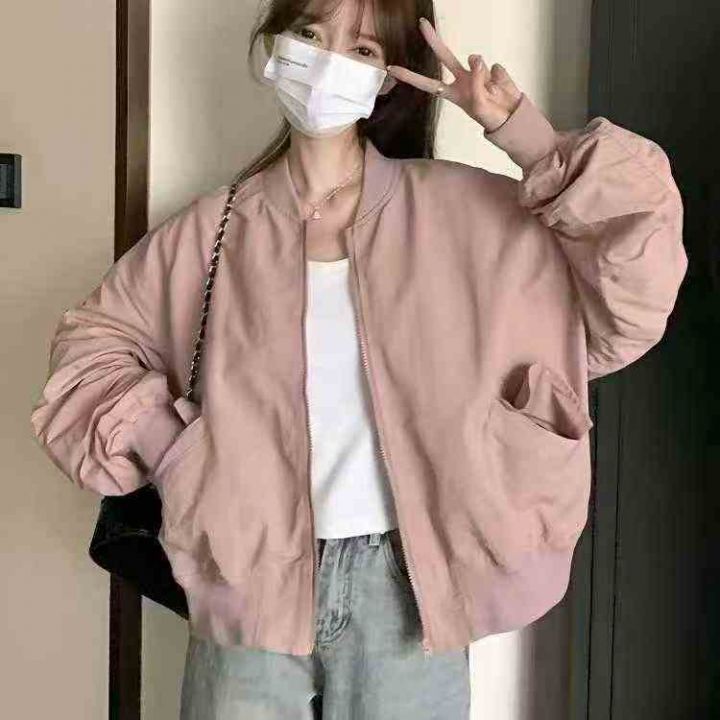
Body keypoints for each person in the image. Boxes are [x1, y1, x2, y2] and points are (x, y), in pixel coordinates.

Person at [29, 0, 688, 717]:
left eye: (364, 49)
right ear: (275, 47)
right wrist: (181, 454)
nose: (327, 62)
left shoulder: (467, 214)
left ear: (390, 77)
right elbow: (90, 349)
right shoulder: (212, 230)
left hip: (411, 585)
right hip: (248, 568)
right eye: (310, 34)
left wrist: (523, 134)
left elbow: (636, 279)